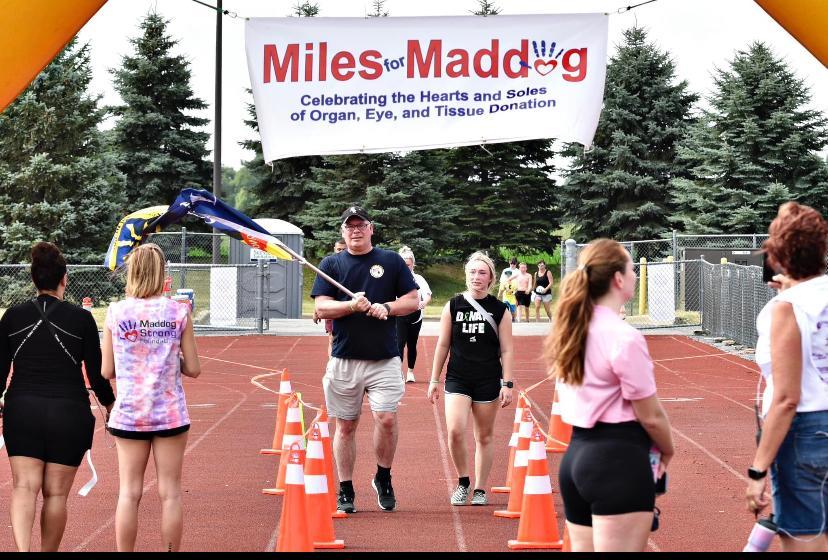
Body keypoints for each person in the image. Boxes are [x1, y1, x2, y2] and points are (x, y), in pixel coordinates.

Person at [544, 239, 674, 552]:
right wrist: (668, 450)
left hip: (576, 458)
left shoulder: (571, 331)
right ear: (618, 278)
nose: (634, 275)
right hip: (618, 460)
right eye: (631, 269)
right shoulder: (623, 336)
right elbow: (651, 415)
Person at [0, 242, 115, 552]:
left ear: (34, 278)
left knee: (24, 487)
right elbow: (96, 374)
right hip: (69, 413)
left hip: (22, 410)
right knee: (56, 495)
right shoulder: (82, 319)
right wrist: (110, 404)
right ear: (64, 278)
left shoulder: (12, 317)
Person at [311, 206, 419, 513]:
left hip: (384, 358)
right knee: (346, 426)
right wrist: (351, 306)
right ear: (342, 232)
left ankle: (383, 476)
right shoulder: (331, 264)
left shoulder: (391, 261)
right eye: (350, 226)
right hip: (345, 359)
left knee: (386, 418)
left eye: (361, 225)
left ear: (371, 229)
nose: (355, 230)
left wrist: (387, 306)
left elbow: (413, 300)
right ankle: (345, 488)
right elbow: (321, 308)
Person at [101, 243, 202, 552]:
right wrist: (171, 360)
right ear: (161, 273)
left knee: (128, 493)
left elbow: (107, 370)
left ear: (132, 272)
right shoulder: (178, 311)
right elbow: (194, 368)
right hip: (169, 413)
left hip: (130, 413)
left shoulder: (116, 311)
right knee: (170, 493)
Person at [746, 202, 828, 552]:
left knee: (807, 540)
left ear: (778, 254)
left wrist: (757, 470)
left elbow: (786, 398)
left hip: (807, 432)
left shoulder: (786, 308)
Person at [427, 251, 514, 507]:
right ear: (466, 275)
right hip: (458, 378)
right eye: (472, 272)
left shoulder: (500, 310)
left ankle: (480, 488)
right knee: (455, 431)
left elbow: (507, 350)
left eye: (482, 272)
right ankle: (463, 481)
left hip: (488, 379)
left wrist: (507, 384)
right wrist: (434, 380)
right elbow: (443, 344)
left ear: (491, 278)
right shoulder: (453, 305)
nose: (476, 276)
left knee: (484, 437)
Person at [396, 246, 432, 383]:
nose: (406, 267)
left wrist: (424, 303)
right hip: (400, 316)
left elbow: (428, 294)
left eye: (408, 265)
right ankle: (398, 372)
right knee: (399, 344)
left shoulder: (419, 279)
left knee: (412, 344)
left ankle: (410, 372)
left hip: (416, 317)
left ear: (413, 265)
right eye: (403, 264)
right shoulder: (395, 278)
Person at [313, 239, 347, 355]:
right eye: (339, 249)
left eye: (344, 249)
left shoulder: (353, 265)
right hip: (332, 308)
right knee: (332, 338)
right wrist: (316, 311)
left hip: (349, 309)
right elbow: (321, 292)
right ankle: (332, 362)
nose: (341, 252)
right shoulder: (329, 265)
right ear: (334, 249)